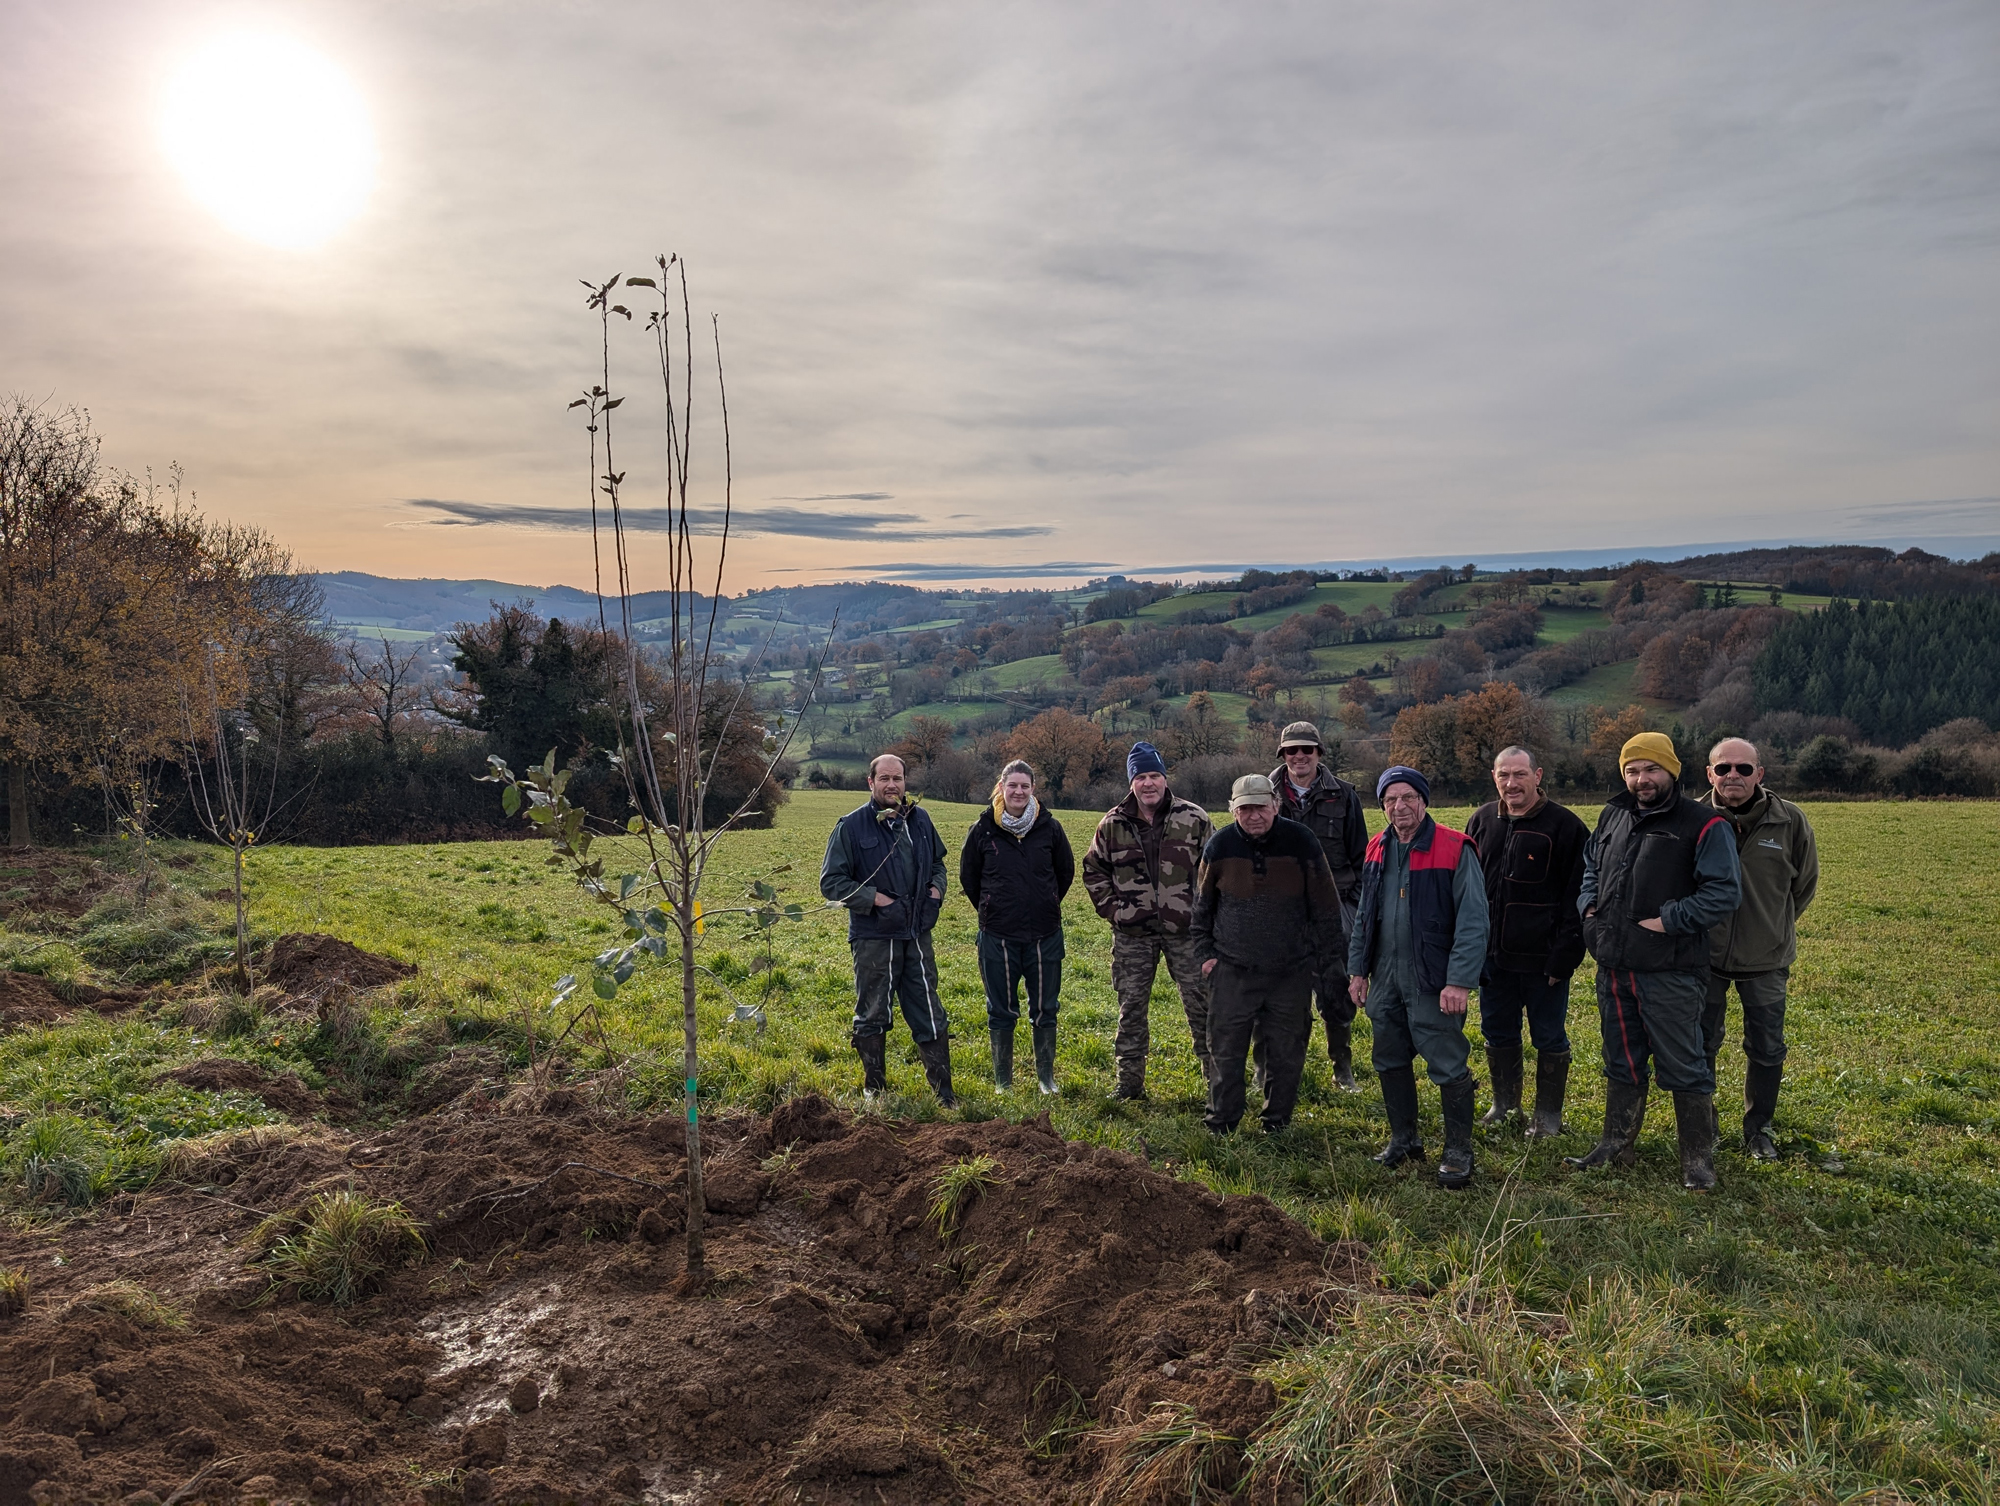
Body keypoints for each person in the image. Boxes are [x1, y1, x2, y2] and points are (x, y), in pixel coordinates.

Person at [1569, 733, 1742, 1191]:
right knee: (1621, 1059)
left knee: (1685, 1065)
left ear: (1672, 771)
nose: (1641, 779)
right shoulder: (1613, 815)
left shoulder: (1704, 825)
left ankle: (1697, 1162)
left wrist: (1669, 920)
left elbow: (1723, 893)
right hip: (1613, 965)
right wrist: (1589, 909)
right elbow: (1590, 866)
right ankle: (1614, 1144)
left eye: (1651, 770)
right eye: (1632, 770)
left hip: (1670, 970)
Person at [1347, 766, 1490, 1188]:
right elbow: (1363, 917)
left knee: (1447, 1062)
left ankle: (1458, 1151)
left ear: (1424, 801)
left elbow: (1473, 922)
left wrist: (1459, 980)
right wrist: (1357, 970)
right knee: (1388, 1056)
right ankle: (1404, 1140)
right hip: (1385, 974)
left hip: (1433, 976)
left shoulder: (1454, 847)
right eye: (1390, 799)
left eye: (1408, 797)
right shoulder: (1376, 847)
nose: (1399, 806)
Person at [1190, 774, 1345, 1136]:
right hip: (1232, 969)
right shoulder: (1220, 846)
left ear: (1275, 805)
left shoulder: (1302, 842)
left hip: (1290, 971)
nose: (1253, 815)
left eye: (1260, 807)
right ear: (1233, 811)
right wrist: (1206, 956)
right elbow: (1202, 909)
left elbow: (1325, 907)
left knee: (1286, 1052)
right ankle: (1221, 1123)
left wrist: (1328, 963)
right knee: (1225, 1052)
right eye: (1245, 809)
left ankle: (1276, 1122)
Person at [1699, 737, 1818, 1161]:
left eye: (1744, 769)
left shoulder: (1790, 822)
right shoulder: (1691, 819)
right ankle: (1703, 1127)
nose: (1734, 775)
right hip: (1704, 958)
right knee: (1702, 1044)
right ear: (1709, 774)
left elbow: (1802, 886)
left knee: (1767, 1047)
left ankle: (1758, 1131)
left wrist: (1771, 926)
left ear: (1760, 774)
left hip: (1766, 959)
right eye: (1724, 768)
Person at [1464, 745, 1589, 1138]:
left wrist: (1564, 957)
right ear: (1494, 777)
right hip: (1492, 960)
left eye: (1520, 774)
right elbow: (1467, 891)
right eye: (1504, 775)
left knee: (1549, 1036)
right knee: (1497, 1032)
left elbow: (1579, 897)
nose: (1511, 783)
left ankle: (1548, 1117)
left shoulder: (1565, 826)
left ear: (1537, 776)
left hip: (1543, 962)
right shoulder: (1481, 820)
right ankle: (1504, 1105)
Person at [818, 753, 955, 1105]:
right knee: (874, 1011)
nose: (892, 785)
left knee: (928, 1007)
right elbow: (832, 882)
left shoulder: (920, 820)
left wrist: (936, 891)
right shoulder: (851, 826)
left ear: (906, 781)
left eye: (898, 778)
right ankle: (874, 1089)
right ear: (871, 782)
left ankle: (944, 1093)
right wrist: (876, 899)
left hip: (917, 933)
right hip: (874, 937)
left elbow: (938, 863)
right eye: (884, 779)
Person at [1082, 741, 1216, 1099]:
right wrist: (1116, 910)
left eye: (1154, 775)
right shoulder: (1112, 824)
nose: (1149, 783)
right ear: (1131, 783)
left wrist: (1203, 913)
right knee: (1131, 1009)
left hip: (1187, 934)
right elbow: (1094, 871)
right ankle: (1129, 1087)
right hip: (1133, 935)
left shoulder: (1195, 818)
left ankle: (1218, 1083)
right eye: (1141, 777)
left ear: (1165, 777)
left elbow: (1216, 871)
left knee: (1203, 1006)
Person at [960, 759, 1075, 1095]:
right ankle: (1003, 1082)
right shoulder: (982, 829)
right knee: (1001, 1010)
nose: (1018, 791)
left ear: (1033, 789)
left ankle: (1045, 1079)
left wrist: (1047, 902)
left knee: (1045, 1009)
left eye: (1025, 786)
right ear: (1001, 788)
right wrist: (992, 909)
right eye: (1012, 785)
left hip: (1045, 935)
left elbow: (1064, 872)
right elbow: (969, 877)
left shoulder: (1050, 828)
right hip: (998, 936)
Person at [1269, 721, 1370, 1090]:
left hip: (1334, 907)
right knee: (1279, 994)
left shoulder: (1343, 795)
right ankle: (1275, 1072)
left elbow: (1362, 856)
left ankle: (1341, 1069)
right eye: (1291, 750)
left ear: (1319, 753)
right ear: (1283, 755)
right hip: (1281, 911)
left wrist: (1353, 908)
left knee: (1336, 990)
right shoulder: (1264, 794)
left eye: (1306, 750)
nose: (1299, 756)